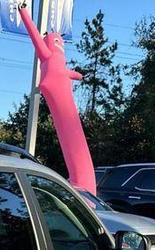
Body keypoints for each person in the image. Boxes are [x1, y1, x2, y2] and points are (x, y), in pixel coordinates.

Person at [18, 3, 97, 195]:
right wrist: (23, 12)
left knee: (72, 131)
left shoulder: (54, 58)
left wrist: (77, 75)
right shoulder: (49, 56)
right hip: (57, 87)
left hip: (60, 87)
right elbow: (35, 36)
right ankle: (84, 187)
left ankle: (84, 187)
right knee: (72, 131)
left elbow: (37, 38)